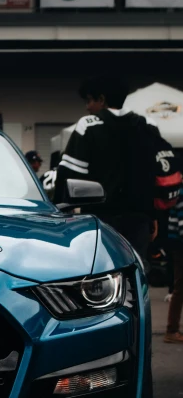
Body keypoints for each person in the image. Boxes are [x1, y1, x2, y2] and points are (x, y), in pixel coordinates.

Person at [54, 76, 160, 268]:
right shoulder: (148, 125)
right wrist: (153, 216)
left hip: (101, 218)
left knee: (102, 271)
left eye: (89, 100)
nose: (87, 107)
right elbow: (153, 176)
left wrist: (59, 211)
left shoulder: (89, 125)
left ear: (101, 99)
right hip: (139, 219)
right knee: (137, 270)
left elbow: (68, 175)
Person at [165, 187, 183, 343]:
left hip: (176, 243)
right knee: (180, 287)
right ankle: (172, 330)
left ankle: (172, 329)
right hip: (180, 244)